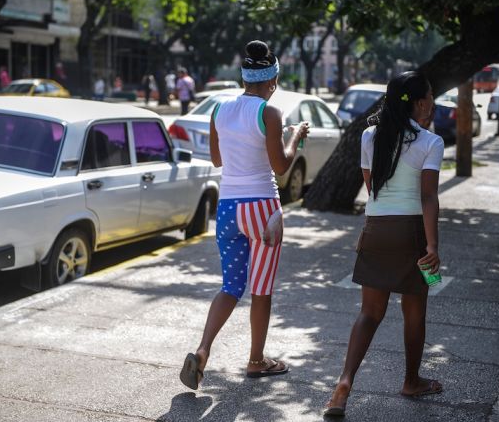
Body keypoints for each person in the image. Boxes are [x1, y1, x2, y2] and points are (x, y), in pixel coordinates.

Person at [179, 40, 309, 390]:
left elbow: (217, 161)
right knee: (262, 289)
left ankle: (203, 350)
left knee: (232, 286)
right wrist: (295, 136)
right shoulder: (270, 113)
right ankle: (256, 361)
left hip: (228, 208)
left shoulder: (219, 110)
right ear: (273, 80)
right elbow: (281, 167)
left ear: (243, 77)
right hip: (262, 209)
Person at [325, 71, 444, 417]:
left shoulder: (368, 136)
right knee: (415, 313)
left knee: (369, 313)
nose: (433, 102)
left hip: (375, 229)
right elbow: (428, 197)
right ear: (421, 103)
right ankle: (411, 380)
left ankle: (344, 384)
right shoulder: (430, 142)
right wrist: (432, 246)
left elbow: (371, 185)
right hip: (412, 234)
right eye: (431, 96)